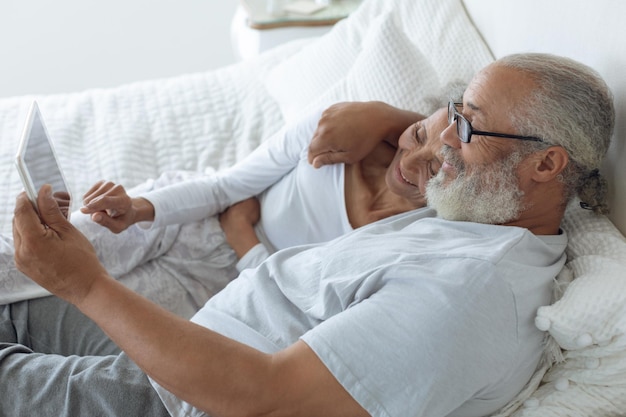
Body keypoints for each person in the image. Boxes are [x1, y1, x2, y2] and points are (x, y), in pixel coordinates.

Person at [4, 53, 615, 417]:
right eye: (450, 112)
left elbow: (268, 398)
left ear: (546, 166)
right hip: (190, 347)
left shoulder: (471, 292)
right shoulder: (477, 212)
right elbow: (441, 146)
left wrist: (86, 286)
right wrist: (385, 116)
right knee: (15, 310)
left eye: (467, 125)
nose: (444, 136)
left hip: (183, 398)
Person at [0, 101, 447, 314]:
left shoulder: (408, 238)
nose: (410, 162)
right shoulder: (335, 137)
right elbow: (225, 187)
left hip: (225, 285)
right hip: (186, 219)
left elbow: (303, 303)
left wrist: (244, 240)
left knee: (70, 316)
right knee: (30, 256)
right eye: (418, 135)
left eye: (438, 168)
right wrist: (138, 208)